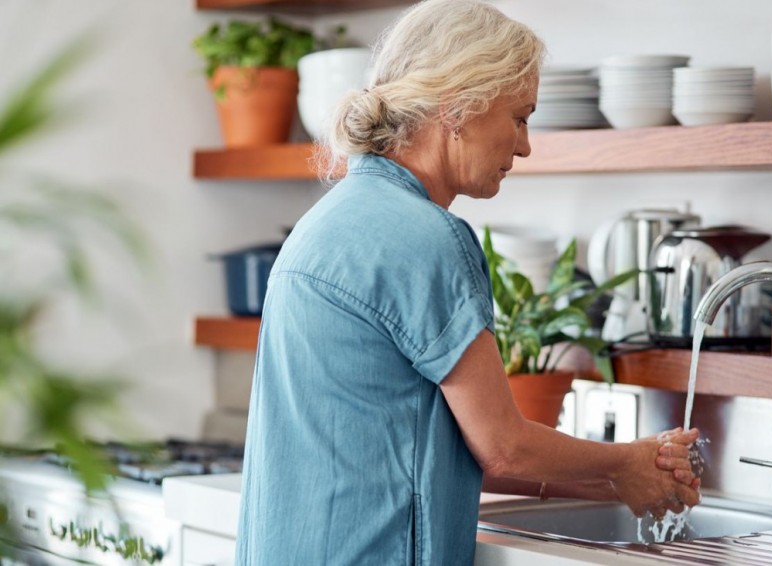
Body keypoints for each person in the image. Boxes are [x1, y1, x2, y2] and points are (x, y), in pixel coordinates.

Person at [235, 1, 701, 564]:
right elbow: (501, 446)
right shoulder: (426, 238)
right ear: (458, 107)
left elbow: (438, 452)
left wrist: (623, 472)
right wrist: (623, 463)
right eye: (520, 116)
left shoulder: (325, 224)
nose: (525, 145)